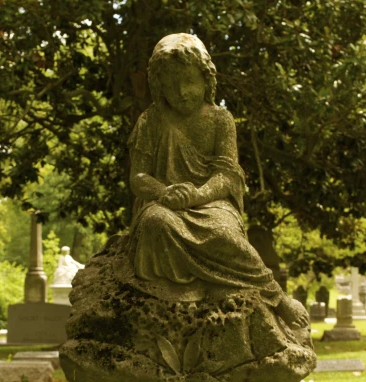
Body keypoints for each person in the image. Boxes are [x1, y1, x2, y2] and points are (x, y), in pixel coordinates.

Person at [126, 33, 307, 329]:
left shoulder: (220, 120)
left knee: (224, 235)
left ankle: (275, 296)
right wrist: (164, 191)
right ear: (159, 85)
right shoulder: (151, 119)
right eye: (172, 83)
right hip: (165, 205)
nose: (182, 91)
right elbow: (139, 178)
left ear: (206, 80)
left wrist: (196, 195)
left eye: (189, 81)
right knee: (155, 224)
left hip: (211, 203)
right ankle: (177, 293)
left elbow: (226, 176)